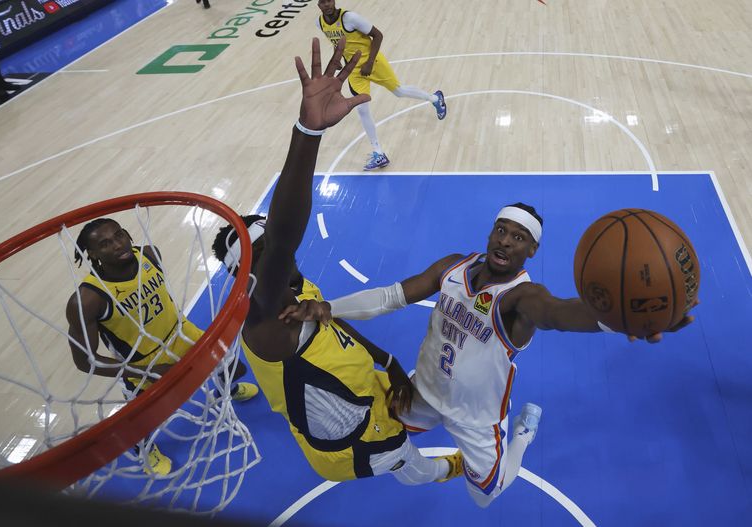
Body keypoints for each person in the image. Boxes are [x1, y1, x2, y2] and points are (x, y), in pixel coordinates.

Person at [280, 203, 697, 507]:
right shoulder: (453, 267)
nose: (505, 241)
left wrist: (621, 320)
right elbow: (391, 296)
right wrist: (328, 307)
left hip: (475, 414)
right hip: (423, 390)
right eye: (501, 230)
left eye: (519, 237)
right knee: (390, 450)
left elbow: (560, 314)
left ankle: (523, 436)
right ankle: (443, 466)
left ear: (531, 251)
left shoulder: (523, 297)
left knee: (485, 498)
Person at [212, 37, 460, 485]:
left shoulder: (298, 289)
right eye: (263, 254)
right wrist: (308, 133)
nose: (279, 257)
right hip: (353, 442)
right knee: (415, 467)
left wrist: (387, 360)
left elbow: (333, 323)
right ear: (243, 274)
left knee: (424, 405)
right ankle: (446, 469)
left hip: (367, 392)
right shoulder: (261, 323)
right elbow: (283, 238)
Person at [66, 218, 259, 475]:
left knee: (234, 368)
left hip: (182, 333)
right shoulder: (87, 300)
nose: (117, 244)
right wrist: (146, 371)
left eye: (119, 235)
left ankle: (228, 390)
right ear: (91, 254)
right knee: (143, 421)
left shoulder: (149, 254)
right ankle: (143, 449)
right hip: (142, 363)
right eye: (105, 244)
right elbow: (86, 361)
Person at [316, 0, 447, 171]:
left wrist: (370, 62)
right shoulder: (320, 23)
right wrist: (337, 58)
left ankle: (435, 98)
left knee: (399, 91)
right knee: (362, 108)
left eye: (328, 0)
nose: (326, 4)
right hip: (354, 70)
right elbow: (338, 43)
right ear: (318, 5)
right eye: (322, 2)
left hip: (374, 62)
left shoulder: (350, 18)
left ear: (333, 1)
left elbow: (378, 35)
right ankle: (379, 153)